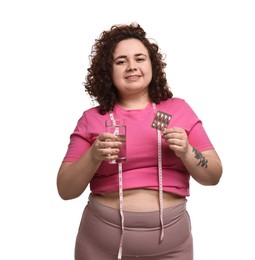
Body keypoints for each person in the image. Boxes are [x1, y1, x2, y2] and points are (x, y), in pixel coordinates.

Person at [57, 22, 223, 260]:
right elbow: (65, 190)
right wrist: (93, 155)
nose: (132, 66)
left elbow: (214, 176)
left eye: (140, 58)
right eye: (121, 61)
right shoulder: (92, 119)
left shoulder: (179, 110)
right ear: (108, 70)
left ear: (152, 65)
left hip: (171, 249)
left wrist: (187, 152)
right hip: (100, 248)